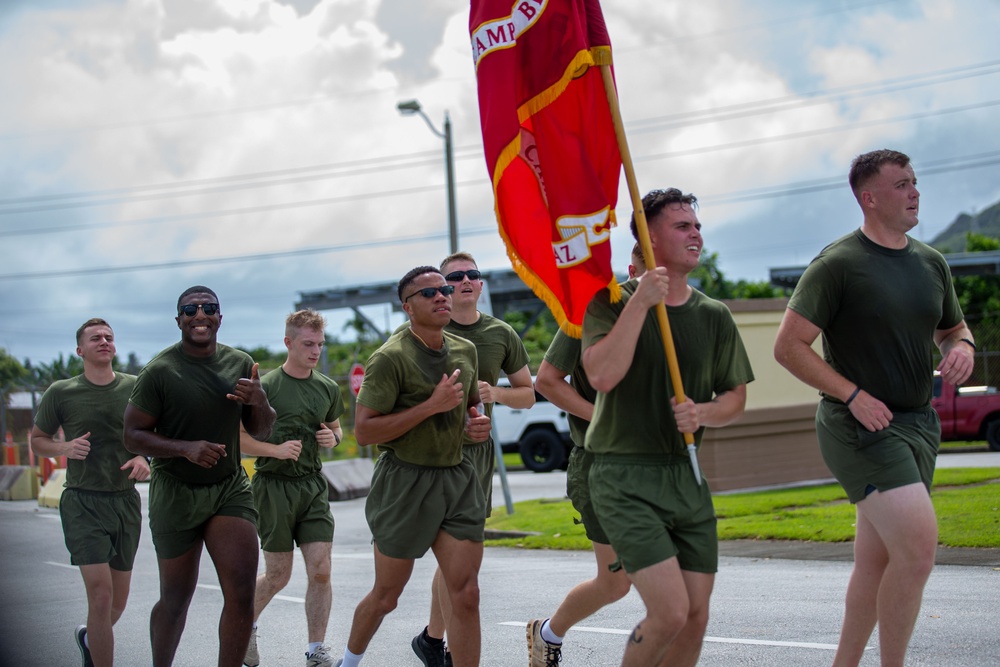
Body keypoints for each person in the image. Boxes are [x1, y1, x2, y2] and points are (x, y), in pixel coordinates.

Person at [773, 149, 974, 667]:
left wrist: (962, 350)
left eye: (915, 182)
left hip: (917, 424)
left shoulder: (932, 262)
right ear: (869, 197)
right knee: (918, 551)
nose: (915, 192)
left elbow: (954, 328)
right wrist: (852, 394)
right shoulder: (836, 264)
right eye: (903, 184)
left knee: (877, 561)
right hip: (857, 425)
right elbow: (789, 347)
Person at [581, 189, 754, 666]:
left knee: (696, 616)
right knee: (671, 612)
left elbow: (735, 398)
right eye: (682, 226)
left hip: (687, 475)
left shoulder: (714, 315)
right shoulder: (610, 301)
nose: (695, 233)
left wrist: (703, 414)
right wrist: (641, 304)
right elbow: (601, 375)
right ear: (650, 238)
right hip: (624, 475)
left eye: (696, 225)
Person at [335, 266, 491, 667]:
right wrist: (430, 407)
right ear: (407, 307)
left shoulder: (464, 350)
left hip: (457, 477)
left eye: (444, 289)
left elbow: (469, 404)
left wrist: (475, 423)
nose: (442, 296)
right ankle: (349, 662)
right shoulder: (390, 358)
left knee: (467, 593)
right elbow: (365, 432)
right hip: (404, 481)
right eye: (429, 294)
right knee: (387, 595)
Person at [123, 286, 276, 667]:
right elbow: (132, 435)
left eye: (209, 308)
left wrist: (260, 401)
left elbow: (263, 431)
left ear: (220, 317)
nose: (200, 315)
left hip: (228, 489)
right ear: (179, 320)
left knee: (241, 594)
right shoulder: (160, 371)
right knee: (176, 597)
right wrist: (184, 448)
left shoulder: (241, 363)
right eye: (190, 310)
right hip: (176, 491)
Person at [412, 252, 535, 667]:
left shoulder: (500, 334)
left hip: (474, 459)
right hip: (428, 458)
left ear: (481, 285)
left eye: (472, 275)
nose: (465, 281)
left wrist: (494, 393)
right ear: (442, 290)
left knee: (457, 560)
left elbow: (528, 393)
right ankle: (434, 642)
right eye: (454, 278)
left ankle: (434, 641)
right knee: (452, 561)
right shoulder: (423, 332)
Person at [526, 243, 646, 667]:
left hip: (658, 463)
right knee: (616, 583)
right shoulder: (593, 309)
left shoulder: (685, 316)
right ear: (632, 268)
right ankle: (548, 634)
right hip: (602, 464)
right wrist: (604, 419)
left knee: (678, 580)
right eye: (650, 267)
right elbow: (547, 380)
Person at [30, 318, 150, 667]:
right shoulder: (62, 391)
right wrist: (63, 448)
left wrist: (144, 456)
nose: (104, 341)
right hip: (83, 502)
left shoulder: (135, 388)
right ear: (80, 350)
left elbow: (152, 435)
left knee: (117, 603)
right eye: (95, 338)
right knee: (100, 596)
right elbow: (37, 441)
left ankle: (88, 639)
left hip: (125, 502)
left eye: (109, 337)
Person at [240, 310, 345, 667]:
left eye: (320, 344)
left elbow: (336, 428)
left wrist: (333, 437)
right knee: (278, 575)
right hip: (273, 487)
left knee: (321, 569)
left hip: (312, 485)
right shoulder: (265, 387)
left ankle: (317, 650)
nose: (316, 351)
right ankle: (244, 630)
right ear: (288, 343)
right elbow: (239, 440)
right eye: (308, 344)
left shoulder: (327, 387)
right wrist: (274, 450)